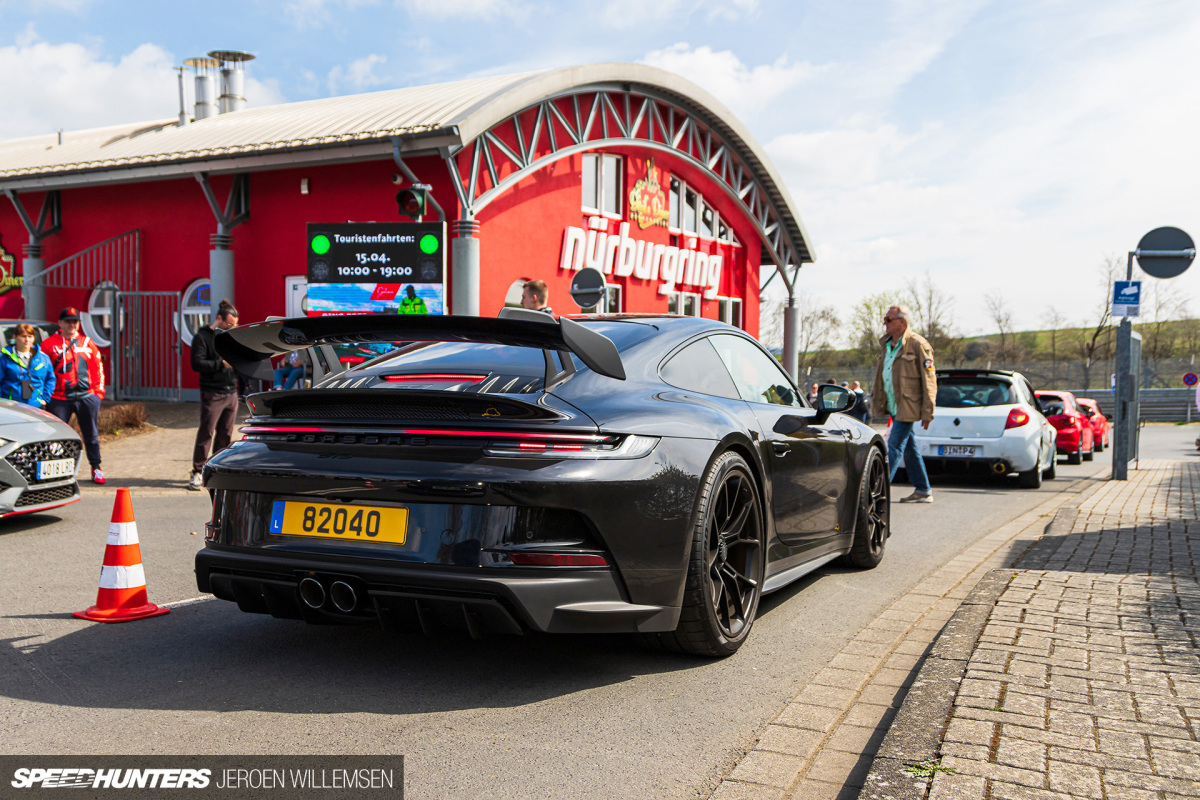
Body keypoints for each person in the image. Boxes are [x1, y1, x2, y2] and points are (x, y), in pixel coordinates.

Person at [871, 305, 937, 503]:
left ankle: (874, 495)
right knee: (909, 447)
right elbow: (881, 377)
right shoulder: (886, 345)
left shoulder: (918, 344)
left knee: (892, 448)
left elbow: (929, 380)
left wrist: (928, 411)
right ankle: (923, 489)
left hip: (908, 407)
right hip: (893, 405)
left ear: (903, 322)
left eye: (889, 319)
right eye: (885, 318)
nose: (885, 322)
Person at [41, 307, 106, 483]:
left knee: (91, 435)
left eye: (74, 322)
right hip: (59, 398)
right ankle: (54, 471)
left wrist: (98, 394)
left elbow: (97, 368)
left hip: (86, 396)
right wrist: (45, 395)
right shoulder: (48, 344)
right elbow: (42, 371)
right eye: (68, 321)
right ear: (60, 323)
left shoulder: (87, 343)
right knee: (57, 437)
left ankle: (96, 468)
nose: (71, 325)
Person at [189, 299, 239, 491]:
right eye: (229, 324)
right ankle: (197, 471)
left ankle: (218, 469)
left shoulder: (231, 336)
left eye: (235, 325)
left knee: (225, 434)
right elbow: (197, 364)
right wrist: (221, 365)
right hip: (212, 392)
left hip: (230, 392)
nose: (232, 328)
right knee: (206, 431)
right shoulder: (202, 337)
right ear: (219, 319)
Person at [0, 323, 54, 408]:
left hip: (36, 406)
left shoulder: (43, 358)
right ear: (14, 337)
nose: (27, 340)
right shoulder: (4, 358)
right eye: (23, 336)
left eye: (30, 336)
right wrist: (3, 402)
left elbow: (50, 379)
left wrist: (45, 399)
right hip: (12, 406)